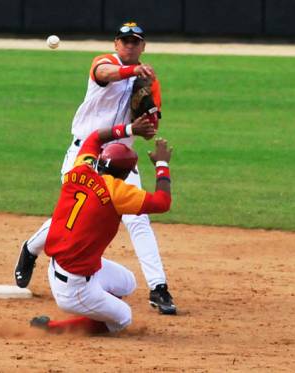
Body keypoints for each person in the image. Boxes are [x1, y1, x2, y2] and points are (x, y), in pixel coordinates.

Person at [15, 21, 177, 315]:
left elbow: (152, 125)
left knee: (138, 220)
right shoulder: (104, 63)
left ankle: (159, 287)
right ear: (116, 44)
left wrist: (147, 123)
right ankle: (31, 249)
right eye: (125, 41)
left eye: (135, 41)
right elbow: (106, 74)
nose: (129, 45)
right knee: (75, 212)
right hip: (85, 151)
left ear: (143, 46)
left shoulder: (149, 80)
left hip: (120, 158)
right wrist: (132, 72)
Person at [30, 115, 173, 334]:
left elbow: (95, 137)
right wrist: (162, 164)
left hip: (65, 266)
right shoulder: (119, 193)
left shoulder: (80, 169)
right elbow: (163, 202)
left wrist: (129, 129)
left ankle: (96, 306)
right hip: (74, 285)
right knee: (123, 319)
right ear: (126, 173)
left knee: (128, 282)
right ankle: (52, 328)